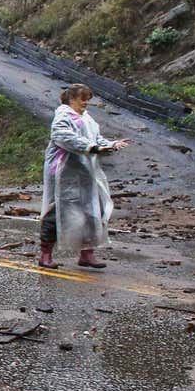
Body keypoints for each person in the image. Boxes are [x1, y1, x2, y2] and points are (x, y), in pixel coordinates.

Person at [39, 84, 128, 269]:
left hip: (85, 172)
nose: (86, 102)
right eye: (83, 98)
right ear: (71, 99)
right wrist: (92, 148)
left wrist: (111, 145)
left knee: (91, 211)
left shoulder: (86, 119)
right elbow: (65, 138)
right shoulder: (63, 117)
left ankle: (87, 254)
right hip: (64, 174)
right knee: (58, 212)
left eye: (88, 98)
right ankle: (45, 254)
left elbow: (95, 139)